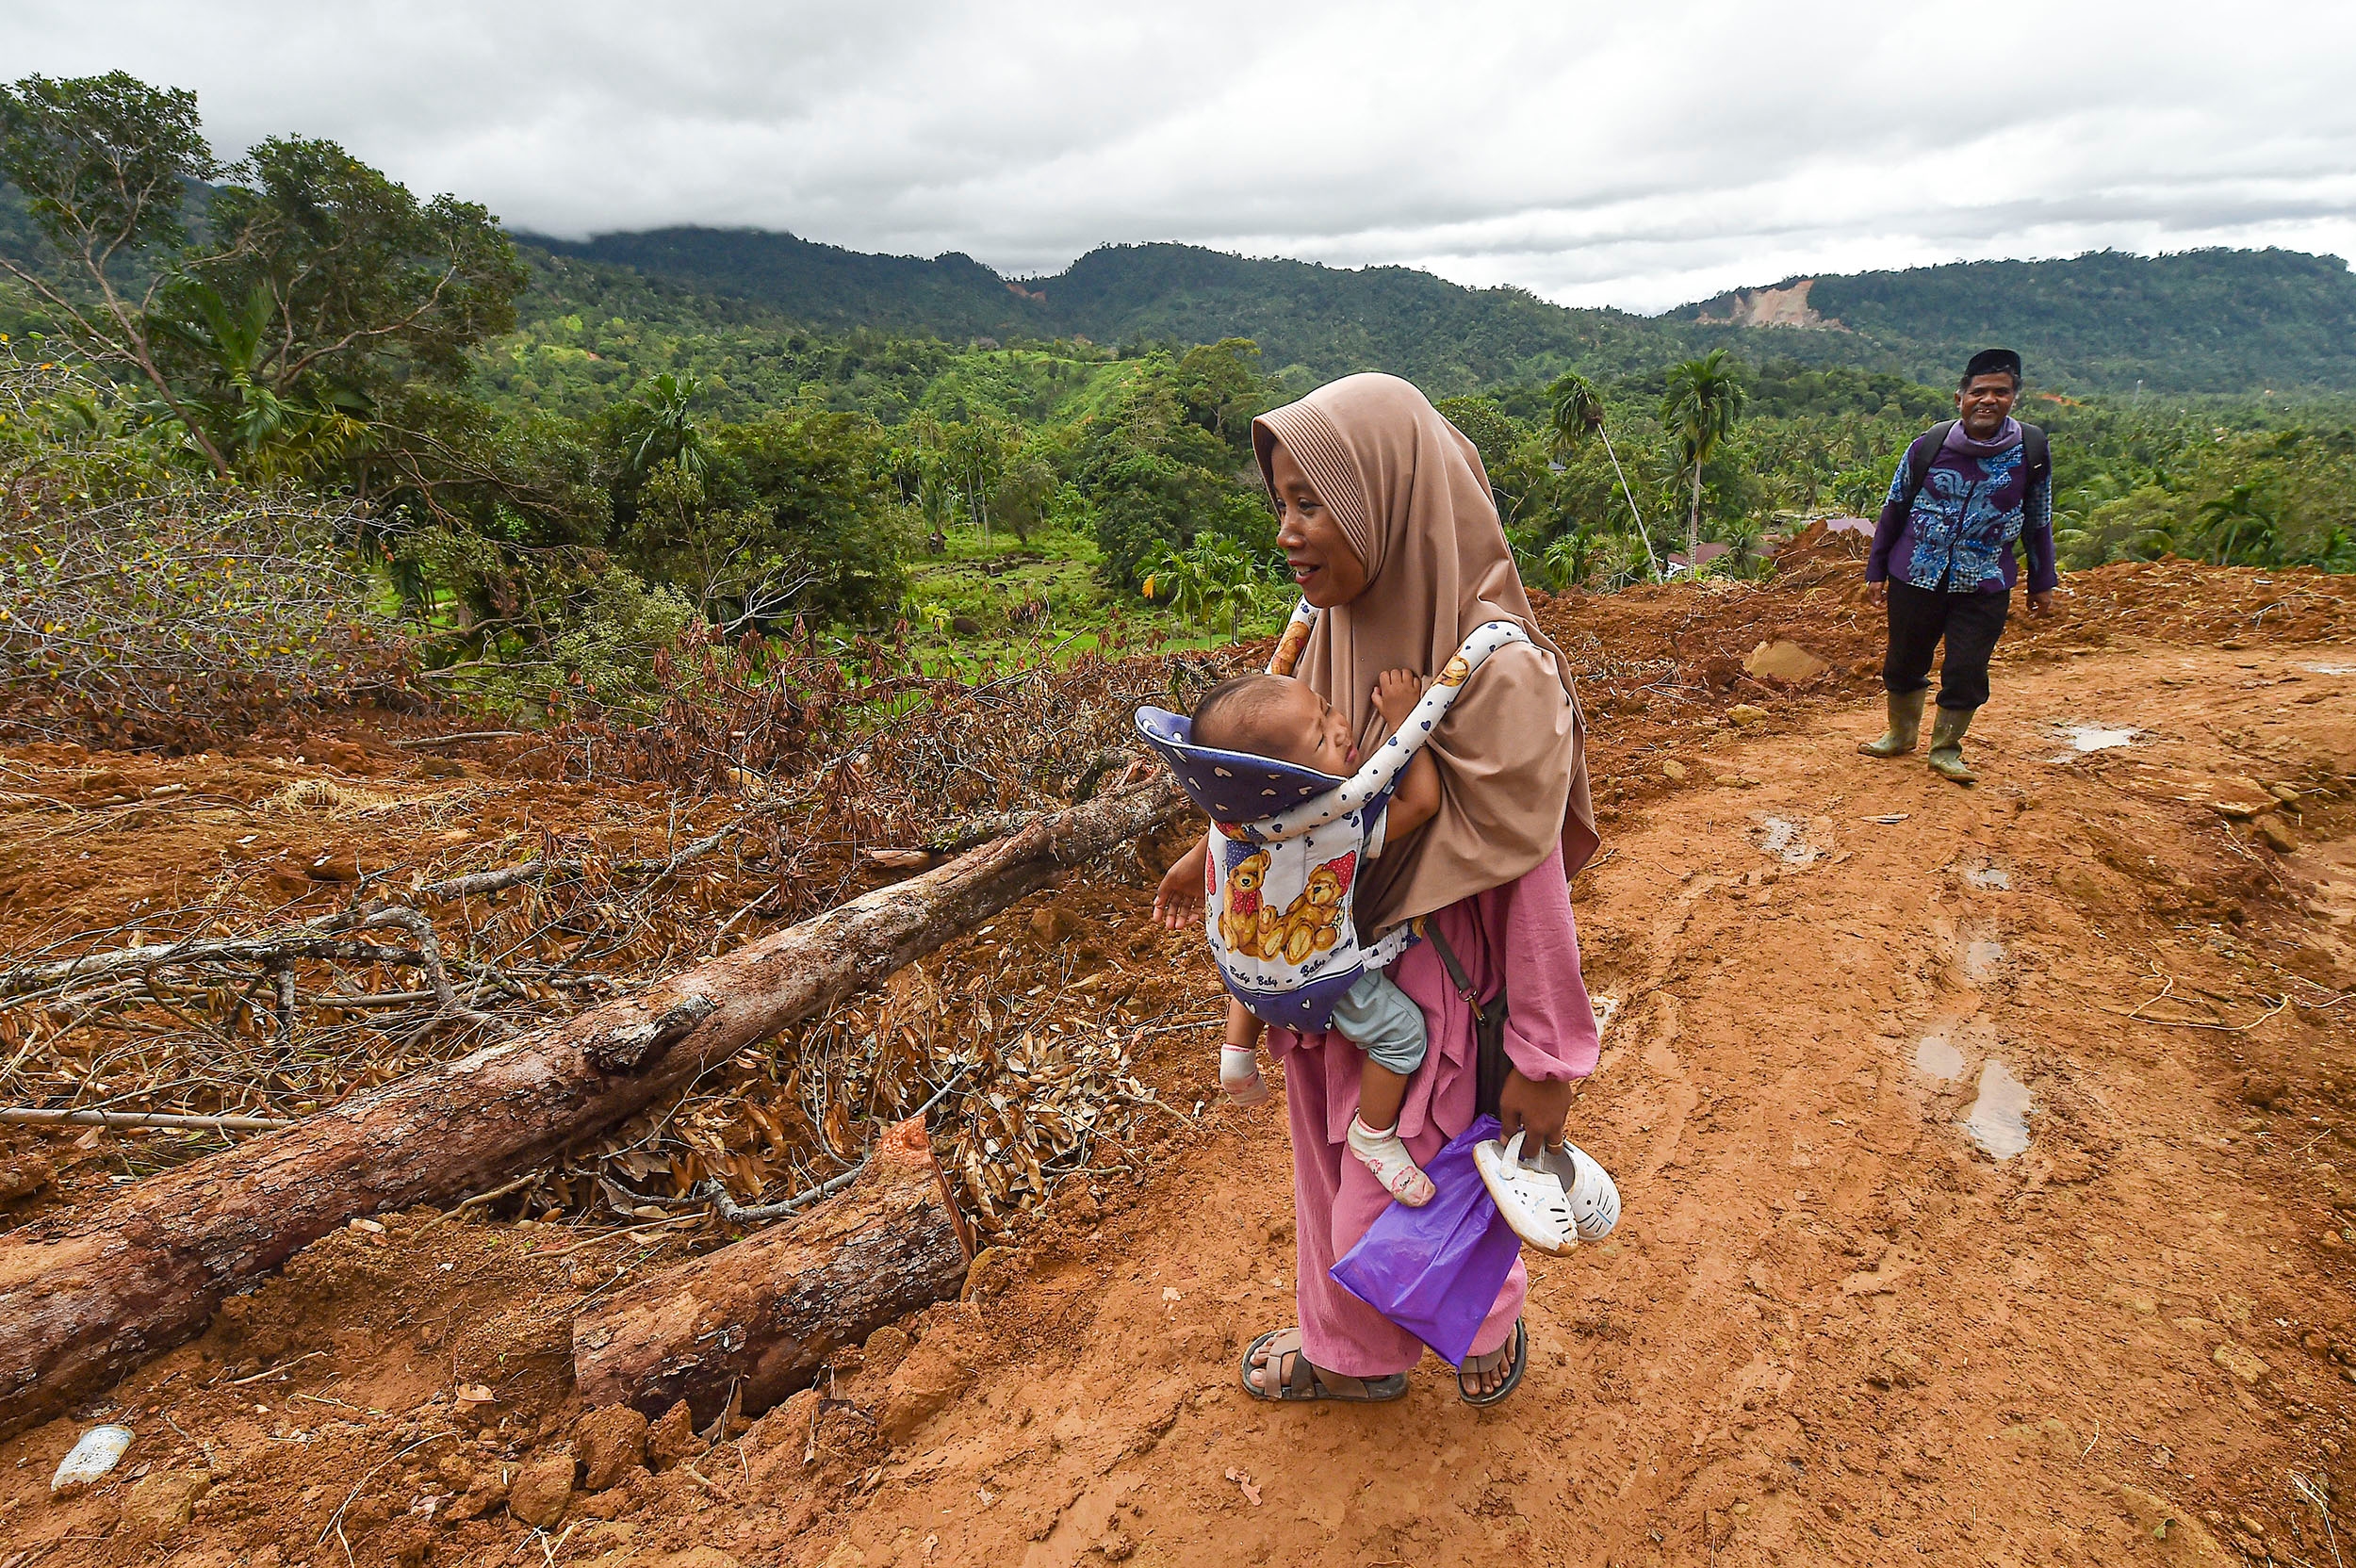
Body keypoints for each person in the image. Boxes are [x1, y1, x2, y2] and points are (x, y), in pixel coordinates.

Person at [1152, 372, 1604, 1406]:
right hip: (1334, 985)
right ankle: (1351, 1355)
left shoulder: (1499, 676)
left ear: (1392, 499)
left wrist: (1545, 1053)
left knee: (1423, 1191)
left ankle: (1483, 1323)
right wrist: (1206, 842)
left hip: (1441, 995)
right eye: (1281, 505)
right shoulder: (1332, 632)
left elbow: (1534, 895)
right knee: (1333, 1184)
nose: (1287, 534)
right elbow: (1286, 802)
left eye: (1311, 504)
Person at [1164, 666, 1443, 1206]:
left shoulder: (1235, 818)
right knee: (1403, 1036)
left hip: (1241, 967)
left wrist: (1188, 862)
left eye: (1325, 707)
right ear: (1285, 778)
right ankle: (1374, 1135)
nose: (1341, 726)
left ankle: (1236, 1050)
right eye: (1320, 736)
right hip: (1310, 982)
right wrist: (1406, 719)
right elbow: (1424, 803)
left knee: (1251, 952)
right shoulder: (1335, 822)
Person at [1861, 347, 2057, 783]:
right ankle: (1900, 735)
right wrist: (1875, 571)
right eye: (1979, 391)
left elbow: (2039, 519)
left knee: (1967, 666)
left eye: (2000, 392)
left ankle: (1946, 749)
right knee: (1904, 660)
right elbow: (1894, 509)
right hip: (1915, 571)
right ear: (1960, 398)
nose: (1988, 400)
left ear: (2014, 399)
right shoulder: (1927, 448)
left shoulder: (2031, 451)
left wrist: (2043, 581)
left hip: (1985, 578)